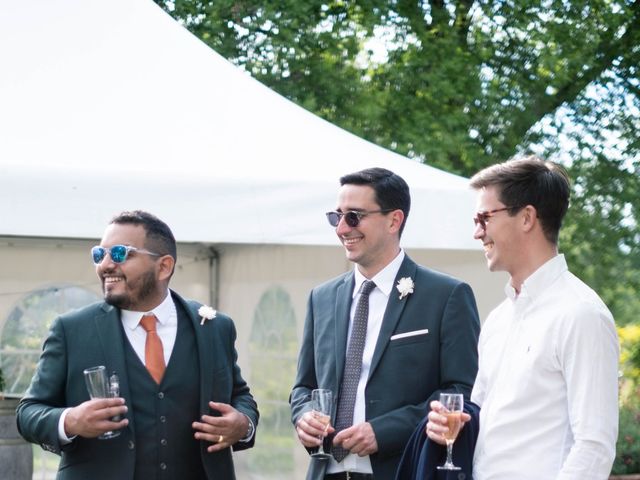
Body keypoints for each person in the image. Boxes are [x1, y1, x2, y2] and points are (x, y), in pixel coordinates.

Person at [17, 210, 258, 479]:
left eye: (120, 253)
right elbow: (28, 412)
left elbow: (240, 396)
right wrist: (70, 421)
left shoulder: (215, 328)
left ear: (164, 266)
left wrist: (243, 424)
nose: (105, 265)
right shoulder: (71, 330)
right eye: (99, 254)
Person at [426, 156, 619, 479]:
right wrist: (452, 425)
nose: (477, 232)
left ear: (527, 217)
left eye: (484, 217)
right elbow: (482, 420)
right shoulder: (498, 319)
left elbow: (594, 446)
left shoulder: (582, 314)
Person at [290, 167, 481, 479]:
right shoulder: (320, 298)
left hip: (402, 469)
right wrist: (304, 416)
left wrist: (385, 431)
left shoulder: (446, 296)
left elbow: (462, 391)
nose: (341, 228)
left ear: (394, 220)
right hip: (326, 472)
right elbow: (303, 386)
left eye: (353, 216)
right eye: (335, 216)